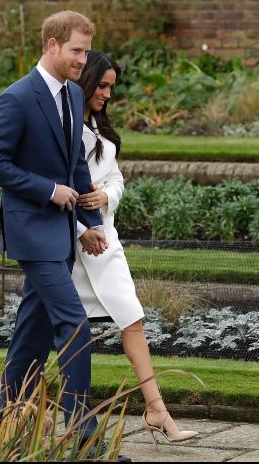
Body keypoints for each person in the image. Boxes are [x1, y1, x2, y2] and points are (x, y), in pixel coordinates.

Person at [0, 11, 130, 462]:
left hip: (62, 236)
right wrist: (49, 191)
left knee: (30, 338)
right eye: (76, 51)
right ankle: (84, 442)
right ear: (51, 45)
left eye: (86, 51)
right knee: (75, 327)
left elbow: (77, 168)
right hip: (32, 234)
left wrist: (89, 226)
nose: (83, 60)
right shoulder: (17, 98)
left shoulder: (68, 96)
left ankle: (5, 432)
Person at [72, 50, 199, 446]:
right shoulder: (65, 124)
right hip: (71, 248)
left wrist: (105, 197)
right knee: (60, 333)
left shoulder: (99, 127)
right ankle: (32, 411)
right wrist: (80, 227)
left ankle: (156, 409)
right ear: (87, 80)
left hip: (106, 243)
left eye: (112, 86)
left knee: (133, 318)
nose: (108, 93)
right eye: (104, 85)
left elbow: (115, 178)